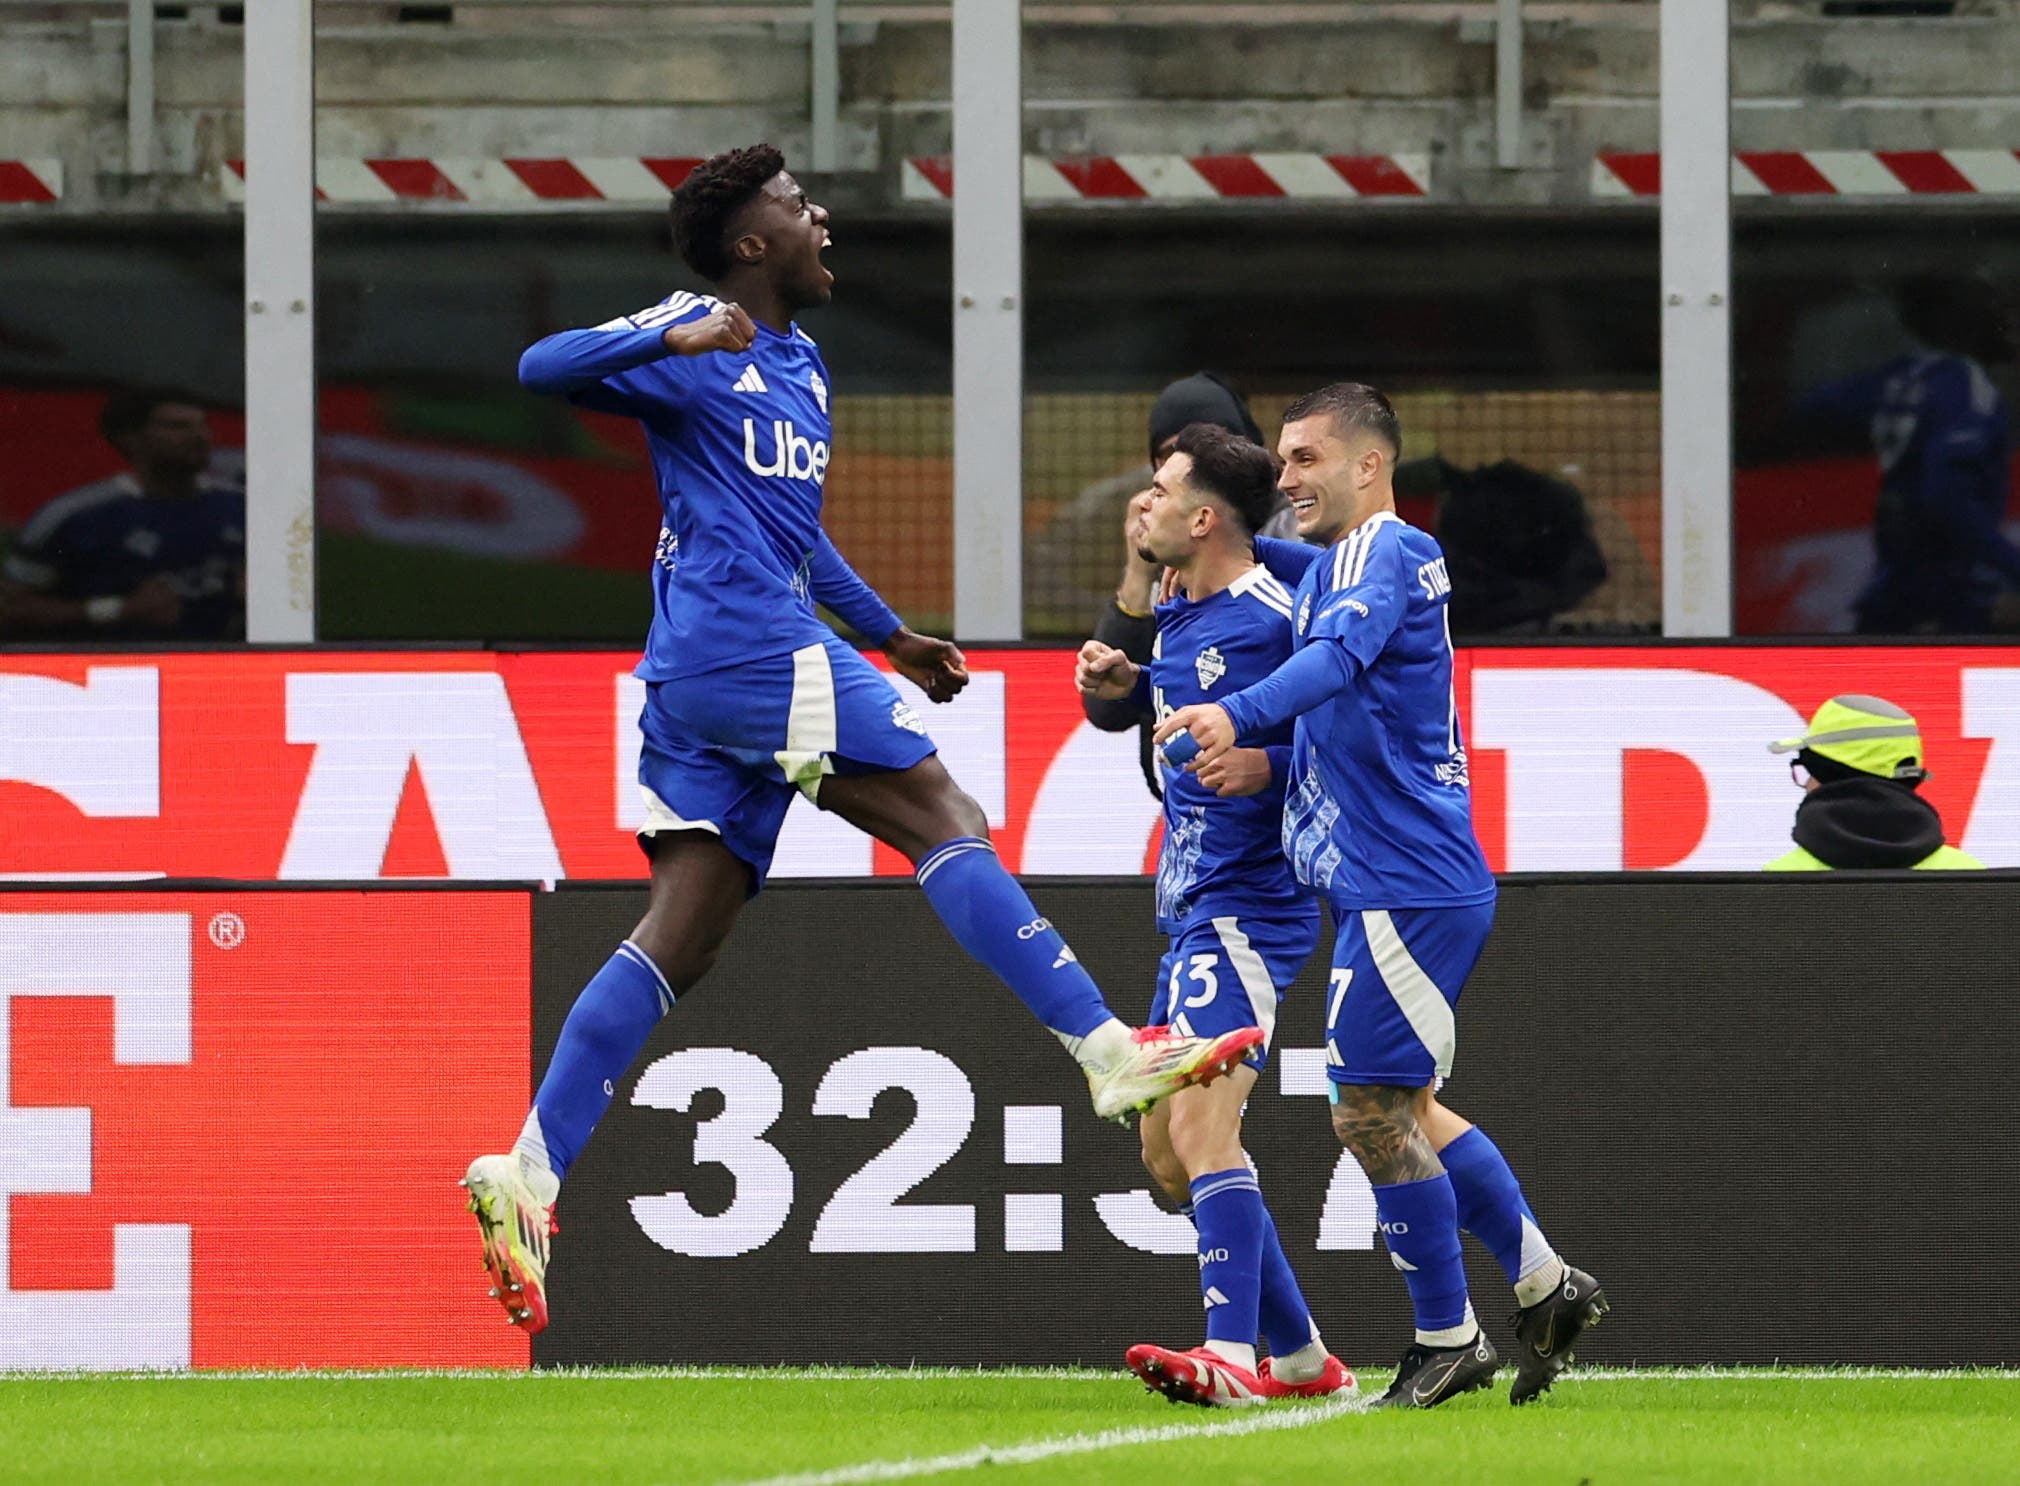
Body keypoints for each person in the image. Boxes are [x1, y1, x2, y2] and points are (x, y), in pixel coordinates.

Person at [464, 144, 1258, 1333]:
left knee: (683, 933)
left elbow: (793, 530)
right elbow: (536, 364)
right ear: (748, 244)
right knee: (945, 814)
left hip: (712, 672)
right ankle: (1104, 1050)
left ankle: (529, 1169)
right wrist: (668, 340)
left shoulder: (801, 363)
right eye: (793, 205)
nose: (817, 213)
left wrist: (889, 635)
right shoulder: (698, 331)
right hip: (743, 649)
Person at [1156, 382, 1607, 1408]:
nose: (1287, 477)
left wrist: (1235, 712)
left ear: (1370, 465)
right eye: (1278, 461)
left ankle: (1450, 1338)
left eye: (1306, 458)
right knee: (1402, 1104)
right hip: (1387, 879)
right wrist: (1179, 521)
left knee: (1365, 1110)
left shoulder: (1379, 553)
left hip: (1404, 882)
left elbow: (1330, 660)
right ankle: (1543, 1283)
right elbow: (1301, 631)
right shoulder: (1337, 563)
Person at [1076, 423, 1353, 1407]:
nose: (1136, 505)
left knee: (1203, 1128)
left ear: (1203, 518)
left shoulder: (1283, 614)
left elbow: (1378, 735)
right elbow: (1184, 692)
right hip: (1190, 909)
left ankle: (1231, 1357)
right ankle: (1302, 1358)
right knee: (1163, 1158)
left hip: (1250, 906)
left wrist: (1269, 764)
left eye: (1156, 490)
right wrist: (1126, 681)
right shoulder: (1172, 603)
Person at [1084, 374, 1295, 799]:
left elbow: (1352, 737)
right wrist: (1137, 682)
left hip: (1264, 856)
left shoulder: (1286, 598)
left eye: (1212, 449)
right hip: (1190, 853)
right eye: (1166, 456)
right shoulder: (1176, 598)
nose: (1184, 465)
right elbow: (1108, 710)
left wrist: (1272, 766)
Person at [1798, 276, 2020, 634]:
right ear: (1964, 322)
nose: (2010, 323)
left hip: (1896, 578)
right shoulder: (1964, 385)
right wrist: (2012, 566)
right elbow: (1946, 497)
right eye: (1996, 309)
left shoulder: (1901, 377)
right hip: (1944, 588)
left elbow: (1814, 407)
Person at [0, 388, 244, 640]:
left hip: (221, 670)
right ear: (131, 439)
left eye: (203, 425)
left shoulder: (240, 504)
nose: (200, 436)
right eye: (177, 427)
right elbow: (12, 608)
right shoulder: (75, 516)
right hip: (108, 671)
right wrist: (116, 610)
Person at [1765, 695, 1983, 871]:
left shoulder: (1777, 880)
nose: (1806, 785)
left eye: (1808, 772)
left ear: (1827, 778)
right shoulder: (1971, 876)